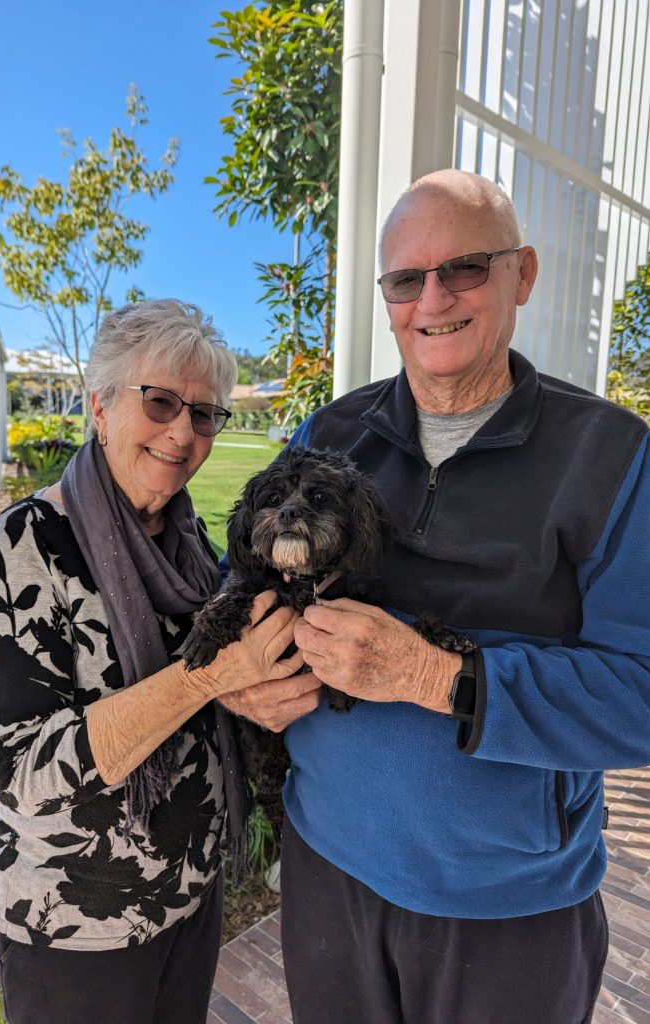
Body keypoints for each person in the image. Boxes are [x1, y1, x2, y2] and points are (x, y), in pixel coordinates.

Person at [221, 170, 650, 1024]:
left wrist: (438, 676)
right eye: (405, 279)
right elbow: (249, 583)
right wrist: (242, 677)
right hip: (325, 869)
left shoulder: (609, 456)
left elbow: (640, 693)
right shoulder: (330, 433)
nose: (433, 299)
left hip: (507, 907)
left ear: (520, 275)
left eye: (463, 269)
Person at [0, 299, 304, 1024]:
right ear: (101, 407)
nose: (183, 432)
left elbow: (219, 700)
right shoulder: (29, 544)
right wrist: (212, 676)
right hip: (74, 929)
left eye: (204, 414)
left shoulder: (192, 546)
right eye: (160, 402)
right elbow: (20, 772)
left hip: (189, 902)